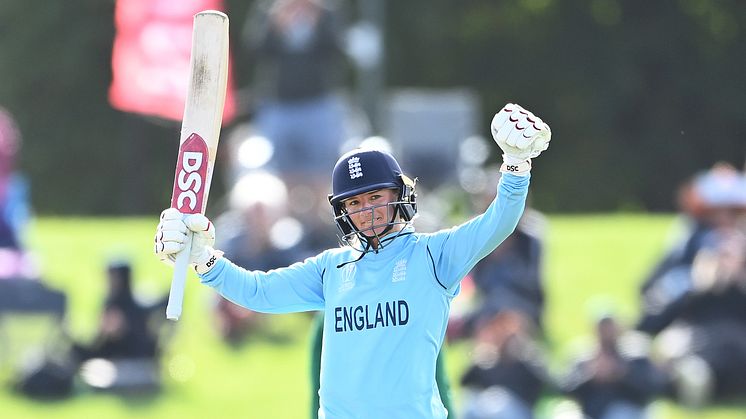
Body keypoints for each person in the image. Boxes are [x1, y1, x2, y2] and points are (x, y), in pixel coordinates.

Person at [154, 103, 552, 417]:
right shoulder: (331, 268)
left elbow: (498, 222)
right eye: (356, 203)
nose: (368, 210)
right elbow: (258, 292)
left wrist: (516, 168)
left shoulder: (434, 255)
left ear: (400, 195)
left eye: (376, 196)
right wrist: (203, 258)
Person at [561, 315, 666, 419]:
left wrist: (621, 373)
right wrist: (591, 375)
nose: (606, 332)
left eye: (609, 327)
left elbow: (651, 388)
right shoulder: (583, 358)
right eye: (602, 327)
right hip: (591, 413)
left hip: (630, 412)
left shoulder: (635, 355)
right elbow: (566, 390)